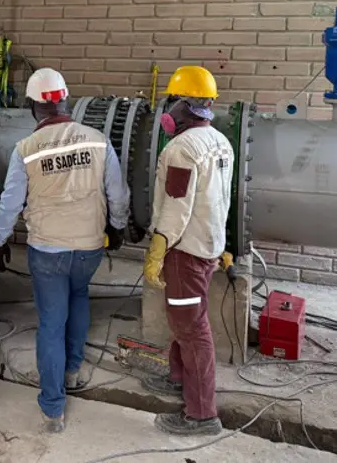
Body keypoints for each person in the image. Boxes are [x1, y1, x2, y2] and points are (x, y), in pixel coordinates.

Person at [0, 68, 130, 433]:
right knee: (79, 295)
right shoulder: (98, 141)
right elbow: (118, 194)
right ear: (66, 100)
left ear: (33, 106)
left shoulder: (25, 150)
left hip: (47, 251)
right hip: (88, 247)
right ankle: (71, 368)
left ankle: (53, 409)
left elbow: (10, 202)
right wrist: (116, 227)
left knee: (52, 322)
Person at [142, 65, 234, 436]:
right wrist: (223, 244)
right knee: (184, 320)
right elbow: (222, 198)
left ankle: (201, 415)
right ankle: (177, 377)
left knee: (193, 330)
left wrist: (158, 249)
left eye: (173, 100)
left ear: (183, 104)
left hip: (185, 252)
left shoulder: (181, 149)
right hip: (207, 246)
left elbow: (176, 208)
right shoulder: (221, 141)